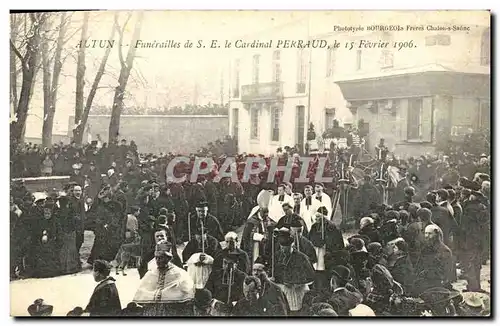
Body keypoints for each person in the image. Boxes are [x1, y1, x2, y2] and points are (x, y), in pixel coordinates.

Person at [133, 241, 195, 316]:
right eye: (156, 258)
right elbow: (142, 292)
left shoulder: (180, 274)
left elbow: (187, 294)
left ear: (168, 258)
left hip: (171, 311)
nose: (158, 261)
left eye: (161, 258)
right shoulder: (150, 274)